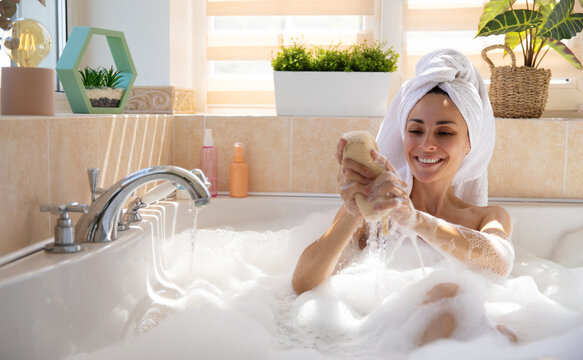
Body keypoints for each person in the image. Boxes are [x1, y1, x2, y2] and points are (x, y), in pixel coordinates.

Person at [291, 49, 516, 344]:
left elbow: (499, 259)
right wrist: (352, 211)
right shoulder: (377, 210)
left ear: (470, 144)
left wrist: (415, 220)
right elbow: (303, 285)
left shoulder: (487, 218)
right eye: (416, 130)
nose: (426, 145)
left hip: (430, 339)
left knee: (466, 305)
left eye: (444, 133)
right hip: (375, 339)